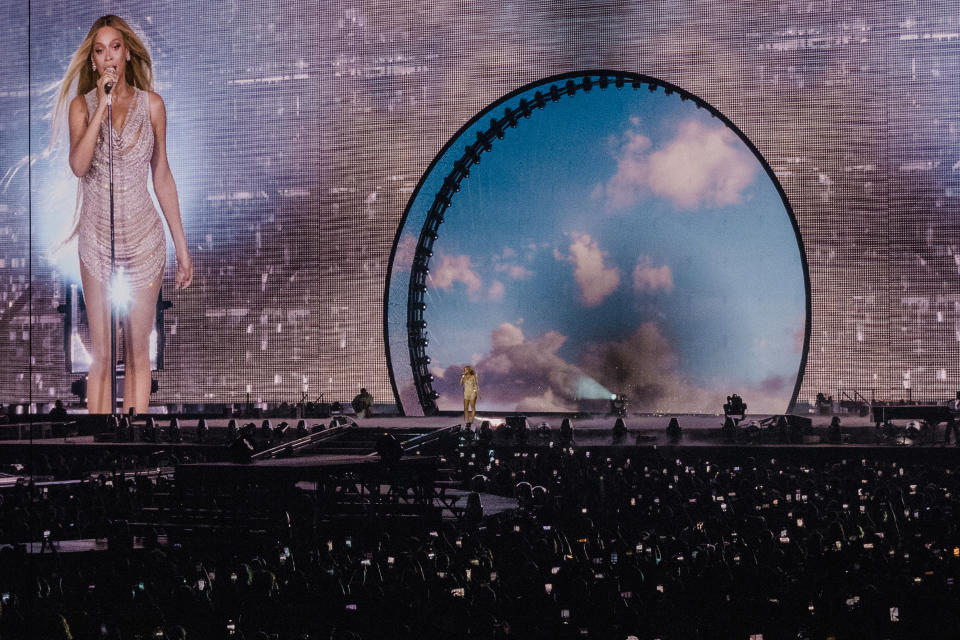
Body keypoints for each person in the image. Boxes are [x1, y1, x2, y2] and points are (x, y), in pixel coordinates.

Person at [57, 15, 193, 415]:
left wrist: (182, 248)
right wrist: (102, 105)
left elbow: (162, 175)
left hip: (145, 238)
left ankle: (134, 448)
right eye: (99, 51)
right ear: (94, 63)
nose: (108, 57)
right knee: (102, 353)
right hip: (97, 238)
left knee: (137, 350)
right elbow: (79, 166)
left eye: (115, 47)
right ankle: (100, 451)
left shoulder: (153, 105)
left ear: (128, 52)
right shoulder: (81, 107)